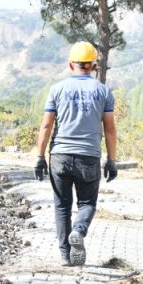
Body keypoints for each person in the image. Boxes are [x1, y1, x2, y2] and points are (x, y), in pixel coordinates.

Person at [34, 41, 118, 266]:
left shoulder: (57, 90)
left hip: (60, 156)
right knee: (87, 203)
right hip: (88, 157)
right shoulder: (103, 92)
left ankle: (65, 255)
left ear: (71, 65)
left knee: (62, 205)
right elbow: (109, 129)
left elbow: (46, 126)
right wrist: (111, 160)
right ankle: (79, 230)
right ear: (93, 66)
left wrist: (40, 157)